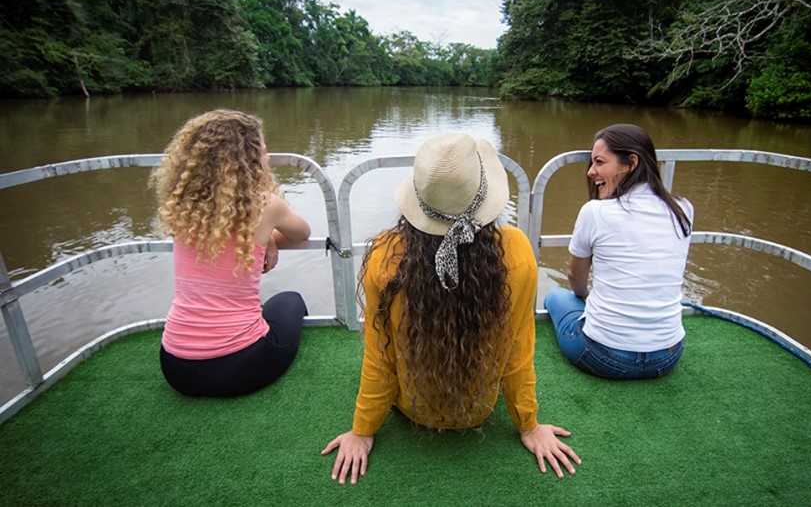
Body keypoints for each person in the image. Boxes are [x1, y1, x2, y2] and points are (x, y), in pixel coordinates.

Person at [322, 133, 581, 485]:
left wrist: (362, 430)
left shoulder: (384, 255)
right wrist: (529, 425)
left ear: (416, 197)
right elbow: (518, 353)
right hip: (479, 410)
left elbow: (380, 357)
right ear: (485, 193)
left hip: (412, 408)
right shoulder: (518, 252)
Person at [150, 109, 311, 398]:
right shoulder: (267, 205)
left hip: (175, 367)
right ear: (245, 161)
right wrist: (269, 238)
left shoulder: (182, 210)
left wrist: (264, 241)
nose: (268, 158)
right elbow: (302, 233)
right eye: (263, 151)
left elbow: (223, 237)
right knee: (291, 300)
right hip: (239, 368)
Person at [544, 123, 694, 380]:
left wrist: (584, 298)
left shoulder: (595, 211)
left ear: (630, 163)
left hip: (604, 357)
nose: (591, 171)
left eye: (600, 162)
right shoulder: (683, 209)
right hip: (668, 356)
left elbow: (575, 277)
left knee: (555, 296)